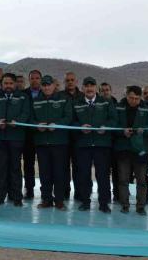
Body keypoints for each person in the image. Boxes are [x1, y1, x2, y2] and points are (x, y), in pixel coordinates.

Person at [73, 77, 117, 213]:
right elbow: (71, 121)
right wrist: (80, 127)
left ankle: (104, 203)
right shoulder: (76, 103)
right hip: (83, 145)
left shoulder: (106, 102)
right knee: (84, 174)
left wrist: (106, 127)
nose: (89, 88)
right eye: (86, 86)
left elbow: (114, 120)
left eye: (92, 86)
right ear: (82, 88)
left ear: (96, 88)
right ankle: (85, 202)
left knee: (103, 175)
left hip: (102, 144)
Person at [0, 73, 30, 206]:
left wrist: (18, 121)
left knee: (15, 167)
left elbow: (26, 113)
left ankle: (16, 196)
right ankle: (0, 195)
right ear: (2, 84)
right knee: (0, 168)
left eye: (10, 83)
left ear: (15, 84)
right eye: (5, 83)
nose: (8, 86)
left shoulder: (23, 97)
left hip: (16, 137)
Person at [31, 75, 72, 210]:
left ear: (54, 85)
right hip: (42, 142)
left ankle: (59, 200)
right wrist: (37, 125)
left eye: (49, 85)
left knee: (59, 173)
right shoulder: (35, 101)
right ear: (41, 86)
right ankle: (46, 199)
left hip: (59, 142)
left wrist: (58, 124)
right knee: (44, 173)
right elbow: (30, 119)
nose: (46, 87)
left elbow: (69, 117)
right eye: (44, 85)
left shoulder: (64, 99)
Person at [114, 86, 148, 215]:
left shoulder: (146, 109)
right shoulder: (118, 108)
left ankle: (141, 206)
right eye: (131, 98)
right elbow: (113, 124)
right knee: (123, 179)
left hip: (140, 149)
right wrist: (122, 131)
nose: (134, 101)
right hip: (123, 148)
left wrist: (144, 130)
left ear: (140, 97)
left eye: (137, 98)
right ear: (126, 95)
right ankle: (124, 205)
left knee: (141, 180)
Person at [64, 71, 84, 201]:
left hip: (79, 137)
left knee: (79, 166)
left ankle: (80, 193)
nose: (70, 82)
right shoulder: (59, 96)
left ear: (76, 81)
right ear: (64, 82)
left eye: (72, 80)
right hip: (63, 137)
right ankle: (64, 192)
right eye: (67, 80)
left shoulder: (83, 96)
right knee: (63, 167)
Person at [22, 69, 42, 200]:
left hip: (43, 134)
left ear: (40, 79)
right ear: (29, 80)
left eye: (37, 78)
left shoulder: (47, 93)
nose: (34, 80)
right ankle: (29, 189)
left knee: (44, 164)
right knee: (28, 164)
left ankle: (46, 191)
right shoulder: (23, 94)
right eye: (32, 78)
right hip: (27, 134)